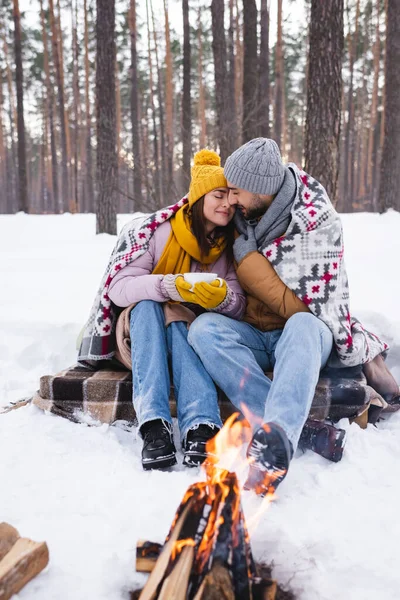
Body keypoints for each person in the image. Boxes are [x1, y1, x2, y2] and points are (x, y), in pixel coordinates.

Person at [187, 138, 397, 495]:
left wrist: (250, 261)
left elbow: (313, 309)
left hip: (305, 333)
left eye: (236, 191)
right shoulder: (241, 217)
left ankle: (276, 443)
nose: (231, 199)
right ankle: (298, 433)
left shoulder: (316, 218)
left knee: (301, 324)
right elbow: (193, 210)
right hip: (254, 332)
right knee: (204, 330)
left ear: (261, 190)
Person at [79, 149, 245, 471]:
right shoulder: (160, 233)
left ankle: (201, 426)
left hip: (185, 339)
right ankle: (154, 425)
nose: (227, 204)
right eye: (218, 195)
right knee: (149, 307)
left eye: (231, 198)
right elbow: (120, 287)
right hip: (139, 335)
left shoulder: (226, 248)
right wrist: (169, 286)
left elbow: (238, 305)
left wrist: (220, 299)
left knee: (183, 319)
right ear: (199, 197)